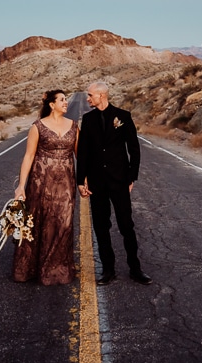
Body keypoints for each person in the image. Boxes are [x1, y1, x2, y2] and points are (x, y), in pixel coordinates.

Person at [77, 82, 152, 286]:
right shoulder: (88, 119)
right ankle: (108, 270)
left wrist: (130, 177)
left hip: (119, 181)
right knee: (101, 227)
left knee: (126, 226)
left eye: (90, 95)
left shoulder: (123, 116)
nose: (88, 99)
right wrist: (80, 180)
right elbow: (83, 151)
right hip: (97, 182)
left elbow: (134, 149)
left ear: (101, 95)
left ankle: (135, 269)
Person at [12, 90, 78, 285]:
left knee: (63, 224)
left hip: (66, 184)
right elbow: (29, 157)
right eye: (62, 100)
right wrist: (21, 187)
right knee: (40, 222)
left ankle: (57, 269)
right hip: (40, 183)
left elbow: (80, 155)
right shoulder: (38, 127)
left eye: (66, 99)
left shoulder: (74, 126)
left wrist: (85, 181)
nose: (66, 103)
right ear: (51, 104)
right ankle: (32, 269)